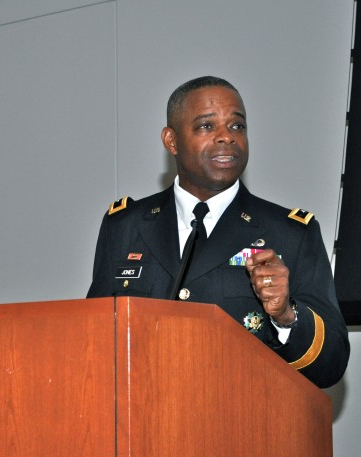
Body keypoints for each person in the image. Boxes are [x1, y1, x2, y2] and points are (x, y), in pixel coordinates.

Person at [86, 76, 349, 388]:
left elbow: (331, 365)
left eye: (237, 126)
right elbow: (93, 343)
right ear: (171, 140)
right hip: (143, 424)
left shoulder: (290, 233)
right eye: (207, 126)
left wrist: (286, 316)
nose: (227, 137)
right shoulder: (124, 226)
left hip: (240, 425)